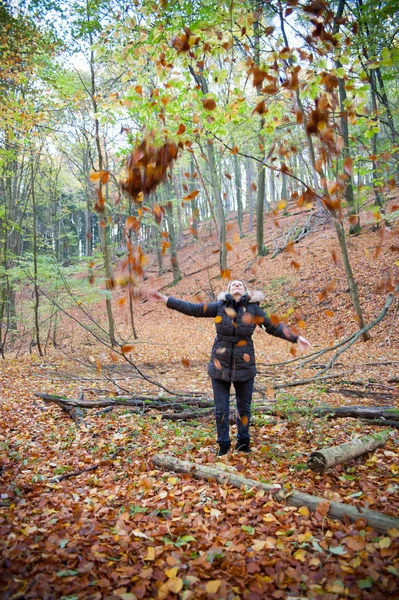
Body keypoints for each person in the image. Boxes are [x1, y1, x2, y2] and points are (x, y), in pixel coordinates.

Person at [149, 280, 311, 456]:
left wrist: (296, 338)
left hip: (244, 365)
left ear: (245, 291)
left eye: (240, 284)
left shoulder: (253, 309)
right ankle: (224, 445)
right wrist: (165, 299)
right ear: (227, 291)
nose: (236, 285)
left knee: (244, 409)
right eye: (233, 284)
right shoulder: (219, 306)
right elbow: (193, 309)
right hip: (220, 364)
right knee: (221, 410)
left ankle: (243, 444)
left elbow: (274, 326)